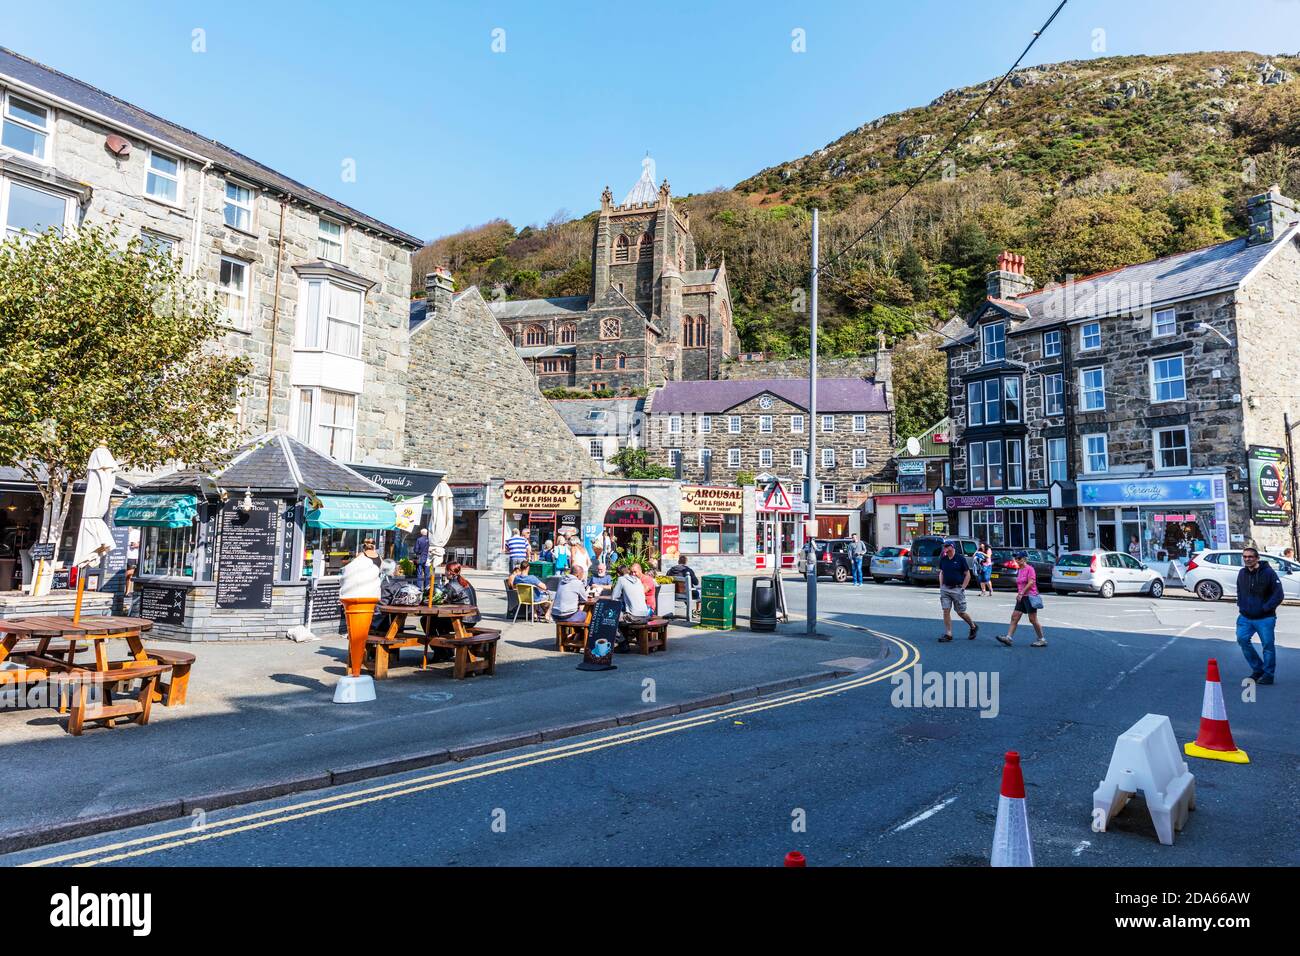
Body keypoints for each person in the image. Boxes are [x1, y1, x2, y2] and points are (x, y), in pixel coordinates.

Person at [1235, 547, 1282, 685]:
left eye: (1250, 557)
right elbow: (1239, 590)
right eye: (1245, 557)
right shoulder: (1242, 573)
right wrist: (1241, 604)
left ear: (1257, 558)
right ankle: (1258, 669)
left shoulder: (1268, 573)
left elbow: (1279, 594)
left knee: (1267, 646)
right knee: (1242, 640)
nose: (1247, 559)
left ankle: (1268, 675)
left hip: (1265, 618)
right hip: (1245, 617)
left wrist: (1265, 608)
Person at [996, 551, 1046, 647]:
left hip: (1030, 596)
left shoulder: (1030, 569)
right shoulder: (1020, 570)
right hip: (1022, 597)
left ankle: (1042, 639)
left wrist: (1022, 592)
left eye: (1019, 558)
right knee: (1015, 617)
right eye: (1016, 558)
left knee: (1033, 619)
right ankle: (1008, 638)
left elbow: (1031, 582)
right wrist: (1020, 594)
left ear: (1024, 559)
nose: (1017, 560)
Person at [937, 540, 978, 642]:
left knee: (961, 612)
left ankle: (973, 626)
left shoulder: (960, 559)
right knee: (946, 611)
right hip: (946, 589)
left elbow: (967, 574)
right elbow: (942, 572)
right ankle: (949, 634)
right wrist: (941, 586)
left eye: (947, 546)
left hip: (957, 589)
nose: (945, 548)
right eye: (944, 546)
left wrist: (963, 588)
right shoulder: (944, 559)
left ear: (952, 547)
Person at [611, 565, 651, 638]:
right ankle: (628, 638)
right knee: (623, 616)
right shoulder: (637, 580)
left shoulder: (621, 579)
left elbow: (614, 598)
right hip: (645, 615)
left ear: (618, 574)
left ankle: (623, 643)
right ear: (628, 571)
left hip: (634, 617)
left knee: (612, 618)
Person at [667, 555, 701, 620]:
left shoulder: (671, 570)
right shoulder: (688, 570)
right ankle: (696, 613)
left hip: (673, 593)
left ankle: (692, 611)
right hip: (686, 593)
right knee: (697, 593)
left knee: (687, 591)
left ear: (678, 561)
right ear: (686, 562)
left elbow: (667, 580)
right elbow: (696, 582)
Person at [412, 527, 431, 594]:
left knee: (419, 574)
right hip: (428, 558)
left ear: (421, 533)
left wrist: (417, 552)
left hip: (420, 558)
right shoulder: (430, 540)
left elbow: (416, 550)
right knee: (427, 574)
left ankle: (419, 589)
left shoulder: (419, 540)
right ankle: (427, 588)